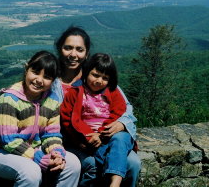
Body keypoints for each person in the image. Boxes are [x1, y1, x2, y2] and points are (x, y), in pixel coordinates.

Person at [50, 26, 141, 187]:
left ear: (86, 53)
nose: (73, 54)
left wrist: (121, 124)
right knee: (93, 163)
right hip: (72, 142)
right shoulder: (51, 81)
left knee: (133, 163)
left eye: (79, 49)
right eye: (68, 48)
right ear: (59, 48)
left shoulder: (99, 78)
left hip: (103, 139)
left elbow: (126, 109)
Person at [0, 51, 81, 187]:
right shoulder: (9, 99)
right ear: (27, 69)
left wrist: (57, 153)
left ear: (53, 80)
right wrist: (39, 158)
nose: (39, 80)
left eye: (47, 76)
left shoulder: (51, 101)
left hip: (31, 148)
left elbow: (51, 134)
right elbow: (9, 141)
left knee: (73, 163)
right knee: (31, 172)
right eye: (35, 72)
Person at [61, 53, 135, 187]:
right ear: (86, 72)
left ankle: (115, 183)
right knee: (101, 159)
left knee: (121, 139)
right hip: (89, 140)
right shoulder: (76, 92)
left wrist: (101, 133)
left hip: (109, 135)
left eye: (105, 78)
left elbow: (119, 112)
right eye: (95, 75)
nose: (99, 81)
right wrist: (85, 138)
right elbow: (67, 119)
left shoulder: (113, 92)